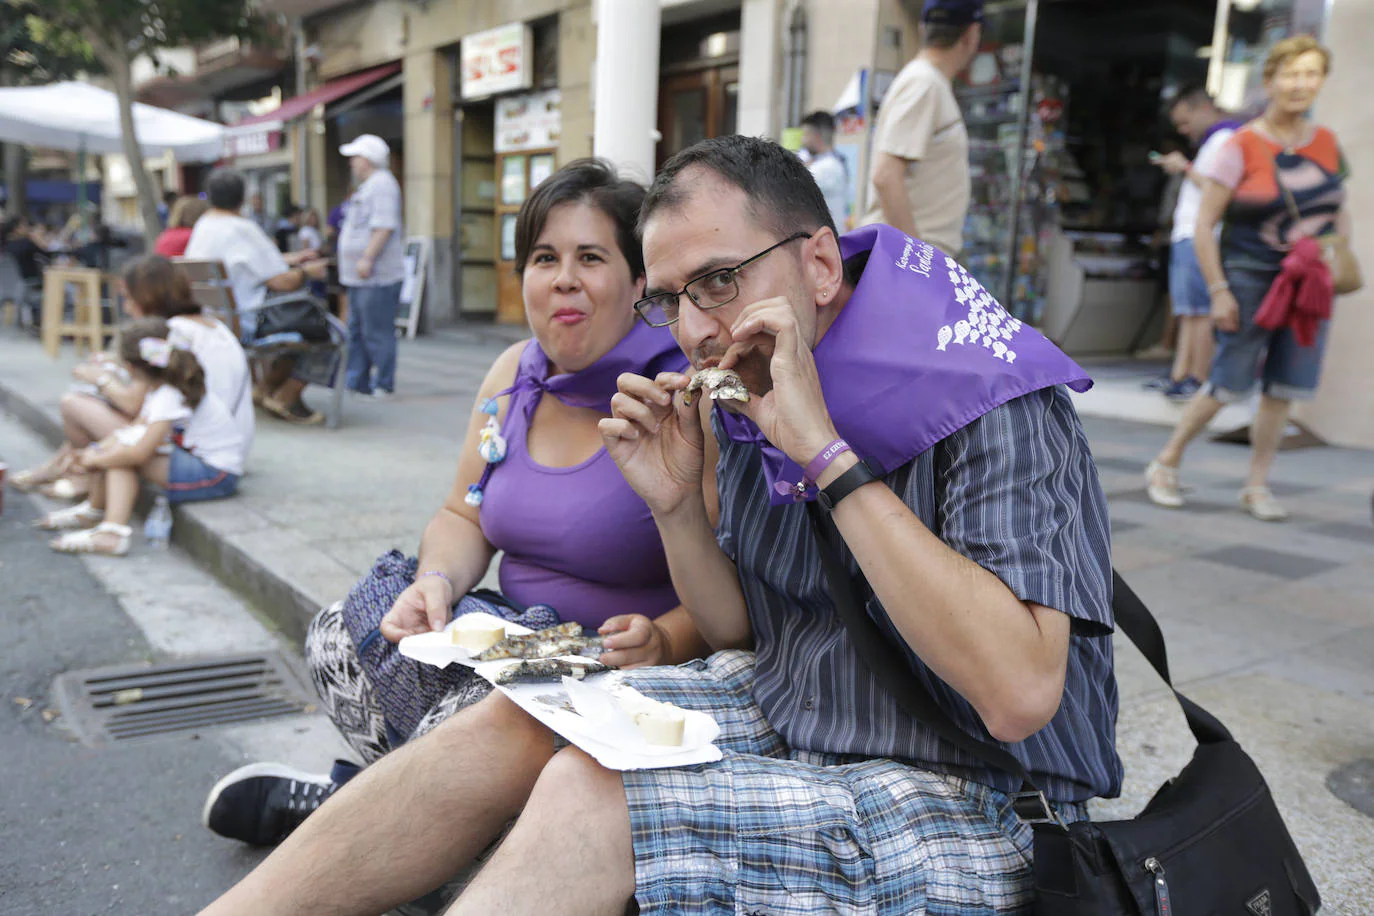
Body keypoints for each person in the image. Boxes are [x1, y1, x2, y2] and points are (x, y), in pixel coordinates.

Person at [199, 138, 1118, 916]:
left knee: (599, 797)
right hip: (795, 713)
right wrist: (677, 505)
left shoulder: (987, 395)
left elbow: (1019, 693)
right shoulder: (717, 390)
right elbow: (737, 633)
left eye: (717, 282)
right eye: (671, 297)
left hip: (983, 791)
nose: (693, 329)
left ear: (822, 264)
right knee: (527, 720)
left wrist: (828, 457)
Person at [199, 159, 709, 850]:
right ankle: (416, 831)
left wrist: (667, 639)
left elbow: (732, 584)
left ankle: (353, 820)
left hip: (618, 678)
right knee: (342, 636)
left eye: (591, 257)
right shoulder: (514, 373)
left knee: (479, 717)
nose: (564, 278)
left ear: (638, 280)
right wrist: (435, 584)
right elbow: (463, 514)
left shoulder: (673, 394)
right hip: (517, 645)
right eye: (543, 257)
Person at [1146, 36, 1349, 522]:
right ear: (1270, 80)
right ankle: (1166, 460)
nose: (1300, 84)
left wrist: (1337, 254)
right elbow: (1203, 225)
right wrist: (1218, 290)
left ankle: (1256, 485)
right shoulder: (1241, 144)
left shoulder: (1326, 144)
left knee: (1285, 387)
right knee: (1227, 381)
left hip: (1308, 283)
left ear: (1320, 82)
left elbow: (1338, 213)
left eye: (1311, 74)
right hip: (1249, 278)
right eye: (1291, 73)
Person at [11, 254, 253, 500]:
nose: (126, 308)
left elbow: (133, 404)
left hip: (196, 451)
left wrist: (100, 378)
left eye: (127, 298)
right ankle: (68, 467)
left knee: (74, 404)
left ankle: (82, 475)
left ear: (146, 297)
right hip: (229, 443)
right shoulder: (209, 326)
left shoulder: (170, 333)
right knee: (104, 415)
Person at [38, 316, 246, 556]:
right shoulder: (163, 387)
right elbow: (133, 429)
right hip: (200, 462)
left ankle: (112, 534)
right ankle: (93, 512)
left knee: (122, 458)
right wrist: (92, 451)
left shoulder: (169, 395)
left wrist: (96, 460)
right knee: (114, 450)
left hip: (217, 475)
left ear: (129, 368)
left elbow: (139, 453)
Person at [184, 168, 331, 425]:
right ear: (242, 199)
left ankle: (263, 390)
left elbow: (243, 264)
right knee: (326, 330)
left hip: (215, 318)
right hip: (248, 321)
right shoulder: (242, 228)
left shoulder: (204, 226)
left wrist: (290, 259)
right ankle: (285, 396)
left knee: (304, 324)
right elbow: (283, 282)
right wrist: (307, 271)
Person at [861, 0, 982, 255]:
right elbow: (886, 175)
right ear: (971, 34)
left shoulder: (926, 82)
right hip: (903, 262)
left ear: (921, 29)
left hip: (905, 258)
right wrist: (917, 262)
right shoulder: (924, 84)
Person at [1149, 86, 1239, 401]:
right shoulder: (1215, 140)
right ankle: (1180, 373)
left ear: (1201, 108)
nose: (1183, 131)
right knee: (1188, 310)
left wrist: (1185, 168)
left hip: (1200, 234)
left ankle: (1198, 377)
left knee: (1199, 310)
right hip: (1188, 234)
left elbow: (1218, 191)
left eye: (1185, 123)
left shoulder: (1225, 139)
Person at [337, 134, 406, 399]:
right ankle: (358, 381)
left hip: (376, 276)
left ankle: (383, 383)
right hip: (360, 278)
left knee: (375, 331)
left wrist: (366, 258)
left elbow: (384, 226)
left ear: (367, 159)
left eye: (355, 157)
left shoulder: (382, 185)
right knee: (357, 330)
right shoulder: (371, 186)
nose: (352, 163)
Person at [800, 110, 849, 229]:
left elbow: (790, 182)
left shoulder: (828, 167)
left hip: (825, 240)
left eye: (805, 135)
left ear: (816, 136)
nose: (802, 140)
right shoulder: (835, 161)